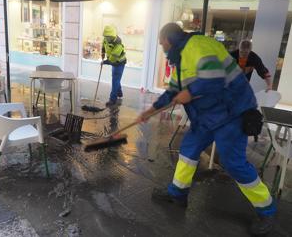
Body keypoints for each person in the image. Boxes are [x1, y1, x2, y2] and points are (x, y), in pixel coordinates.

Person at [138, 23, 276, 235]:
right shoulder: (181, 58)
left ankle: (267, 210)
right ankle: (178, 192)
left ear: (170, 38)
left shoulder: (200, 45)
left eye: (162, 43)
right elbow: (173, 91)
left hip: (231, 112)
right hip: (207, 117)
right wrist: (151, 110)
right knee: (188, 150)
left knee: (233, 163)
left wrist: (190, 92)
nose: (162, 48)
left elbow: (214, 79)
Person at [101, 25, 127, 106]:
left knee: (115, 80)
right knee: (116, 79)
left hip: (119, 63)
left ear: (112, 35)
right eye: (105, 36)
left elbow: (112, 59)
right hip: (113, 62)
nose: (106, 38)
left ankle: (112, 100)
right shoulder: (106, 39)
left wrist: (104, 62)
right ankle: (119, 93)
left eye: (108, 37)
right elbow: (103, 46)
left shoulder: (118, 43)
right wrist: (102, 53)